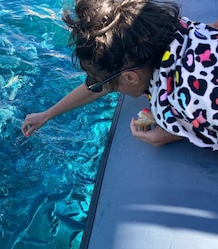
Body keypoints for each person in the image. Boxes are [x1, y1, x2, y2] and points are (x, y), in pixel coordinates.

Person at [21, 0, 218, 150]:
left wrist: (176, 132)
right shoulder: (183, 29)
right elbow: (106, 84)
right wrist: (47, 115)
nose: (101, 86)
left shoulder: (186, 102)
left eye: (98, 81)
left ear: (131, 77)